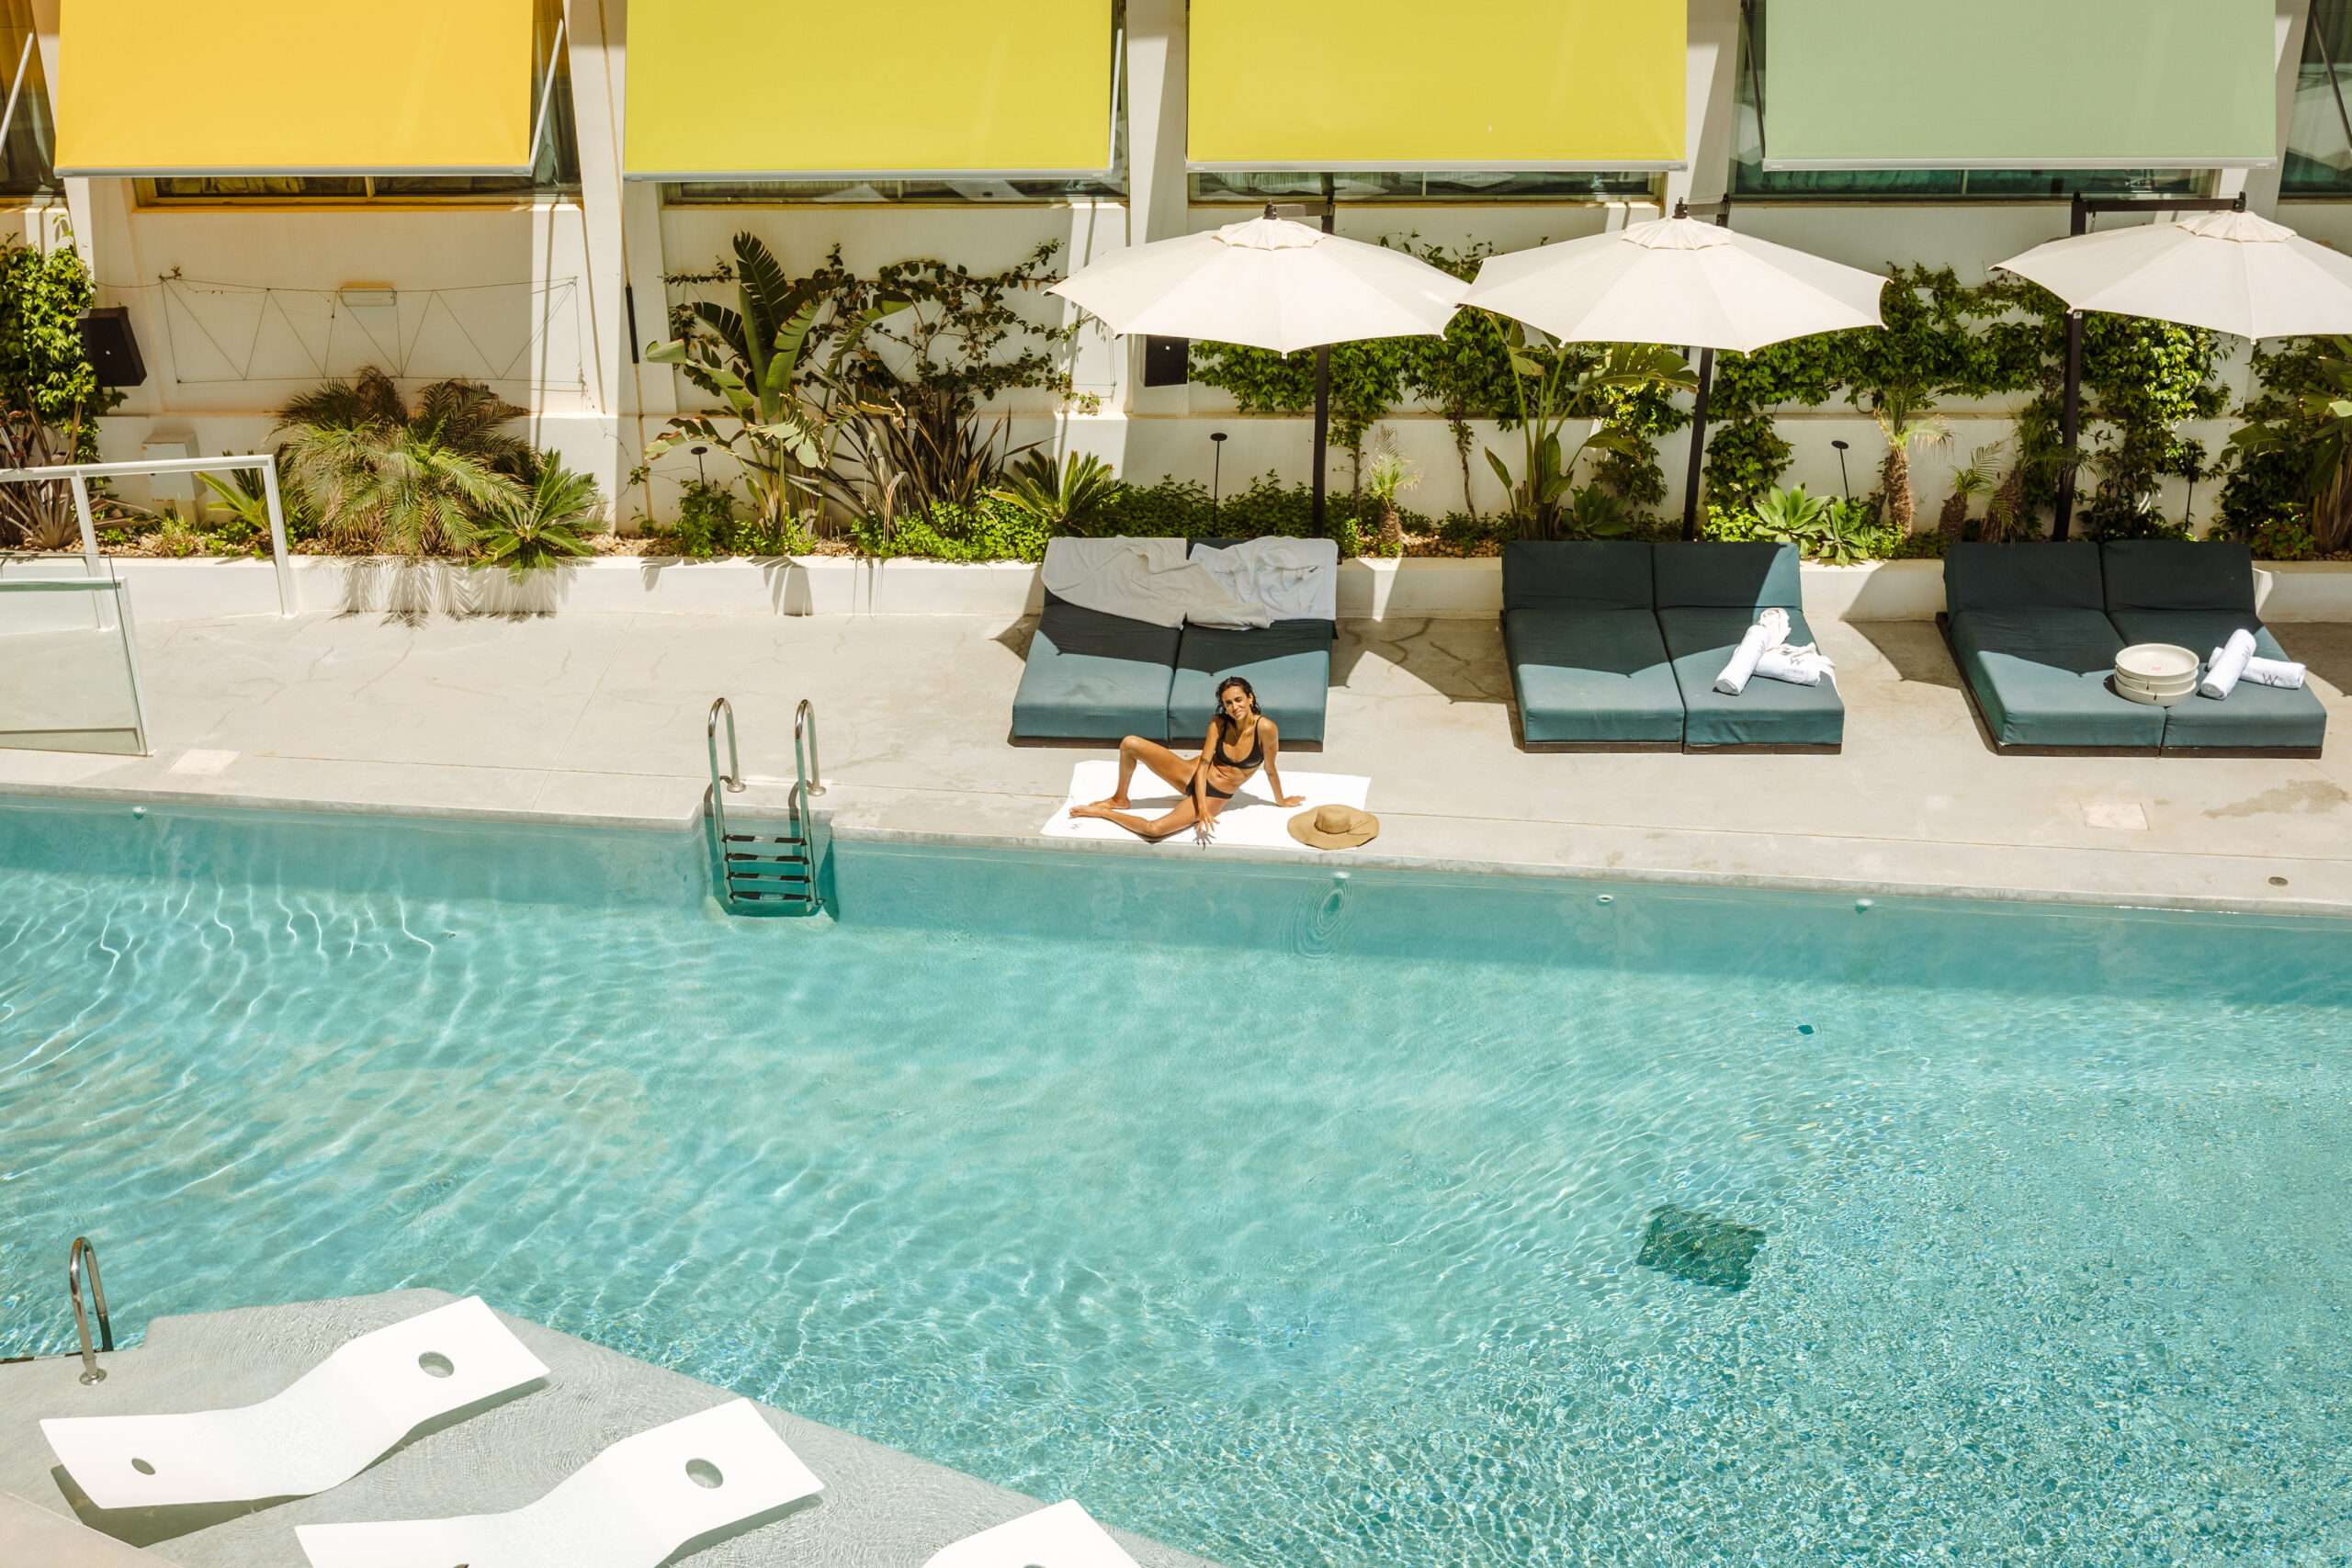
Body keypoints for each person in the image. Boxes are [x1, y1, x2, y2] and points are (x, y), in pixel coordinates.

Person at [1069, 675, 1303, 842]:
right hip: (1191, 774)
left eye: (1239, 699)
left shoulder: (1266, 729)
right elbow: (1203, 766)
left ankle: (1105, 813)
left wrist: (1281, 800)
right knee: (1129, 743)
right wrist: (1200, 807)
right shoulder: (1219, 723)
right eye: (1228, 703)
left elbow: (1270, 768)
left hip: (1215, 794)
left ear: (1250, 698)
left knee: (1153, 830)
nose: (1234, 707)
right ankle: (1120, 799)